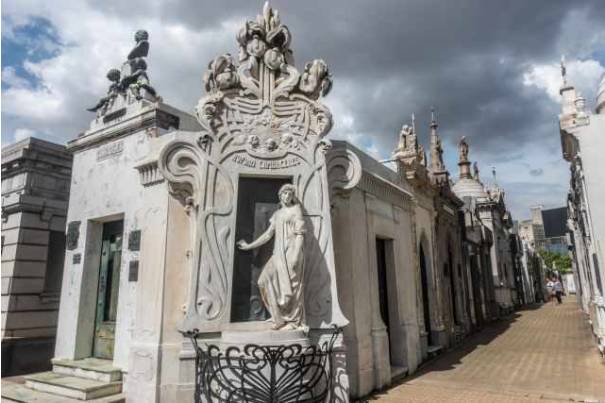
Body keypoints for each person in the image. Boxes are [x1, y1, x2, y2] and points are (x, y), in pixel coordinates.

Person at [237, 184, 306, 330]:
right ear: (280, 196)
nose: (287, 196)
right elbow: (268, 235)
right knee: (263, 281)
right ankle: (278, 317)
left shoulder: (296, 210)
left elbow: (300, 235)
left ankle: (293, 320)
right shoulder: (277, 214)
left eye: (290, 194)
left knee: (291, 290)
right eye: (284, 194)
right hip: (278, 254)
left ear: (292, 197)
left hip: (291, 252)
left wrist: (295, 255)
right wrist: (249, 246)